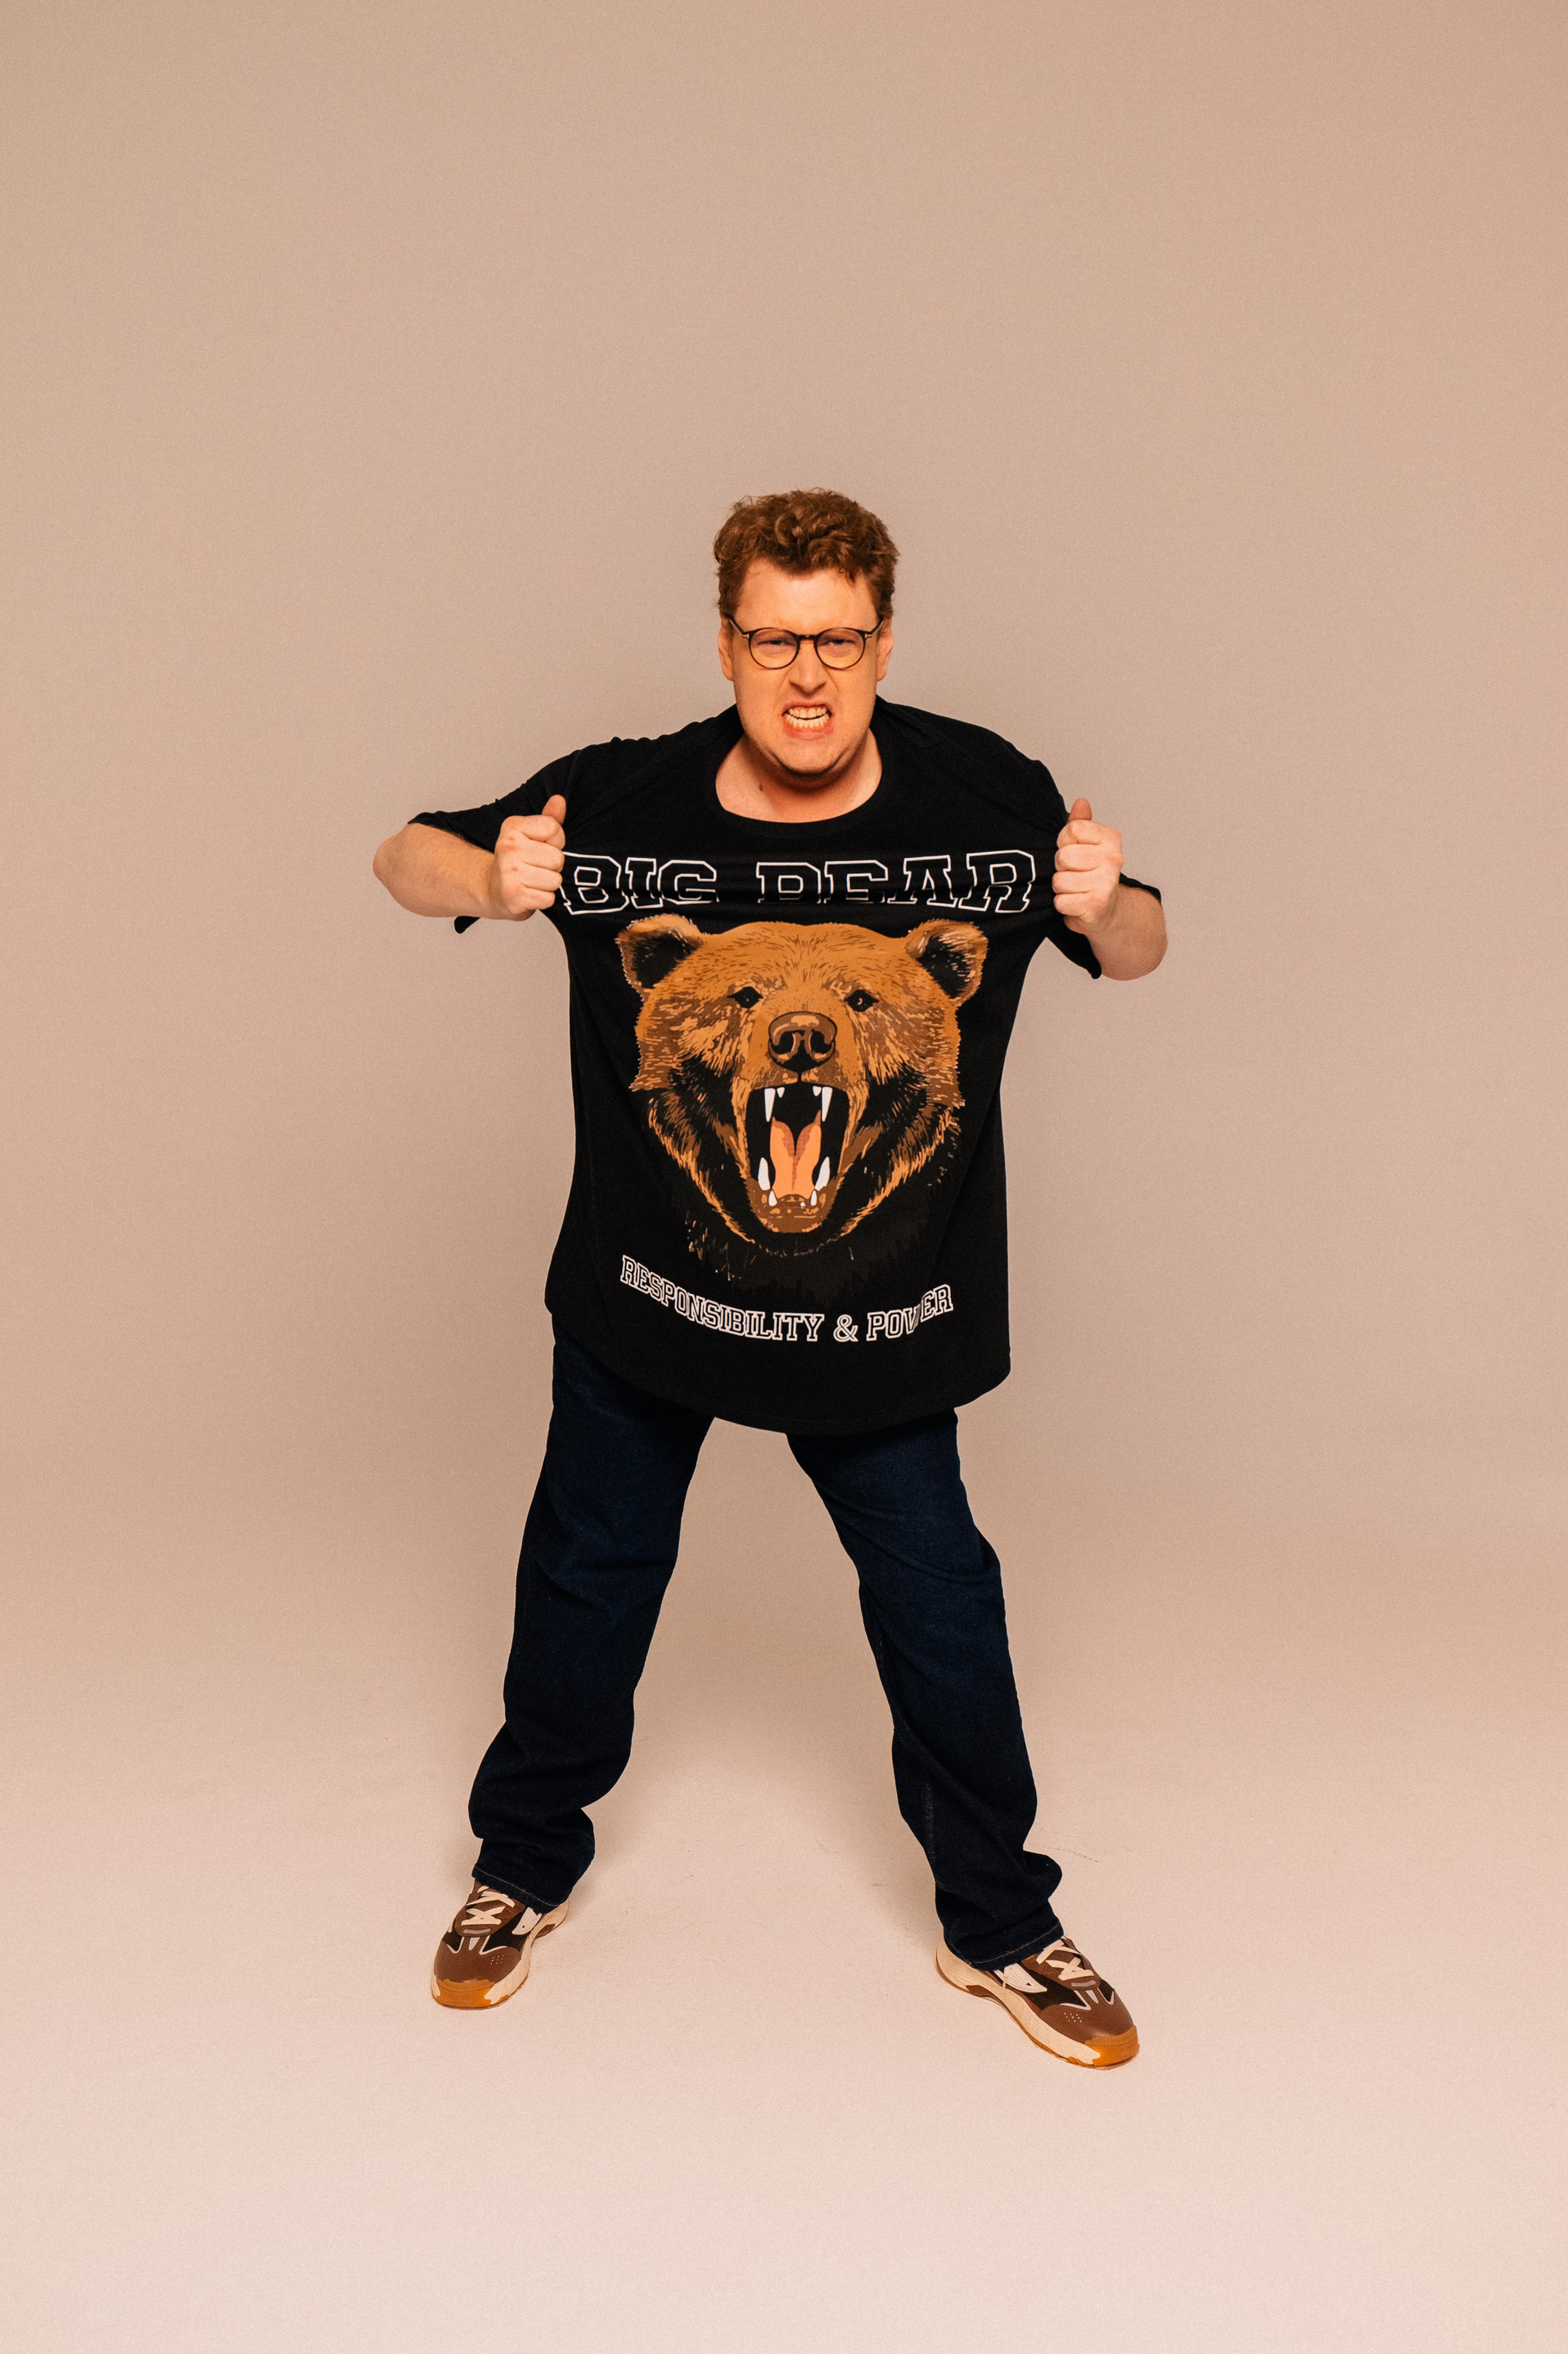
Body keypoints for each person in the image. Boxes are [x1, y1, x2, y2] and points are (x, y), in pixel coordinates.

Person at [372, 489, 1165, 2066]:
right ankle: (521, 1864)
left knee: (939, 1598)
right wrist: (490, 879)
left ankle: (1001, 1920)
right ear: (727, 643)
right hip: (648, 1304)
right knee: (590, 1573)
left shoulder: (983, 795)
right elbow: (402, 854)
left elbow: (1137, 947)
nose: (809, 676)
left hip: (883, 1320)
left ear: (887, 642)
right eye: (777, 639)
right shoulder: (626, 800)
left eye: (839, 641)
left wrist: (1108, 904)